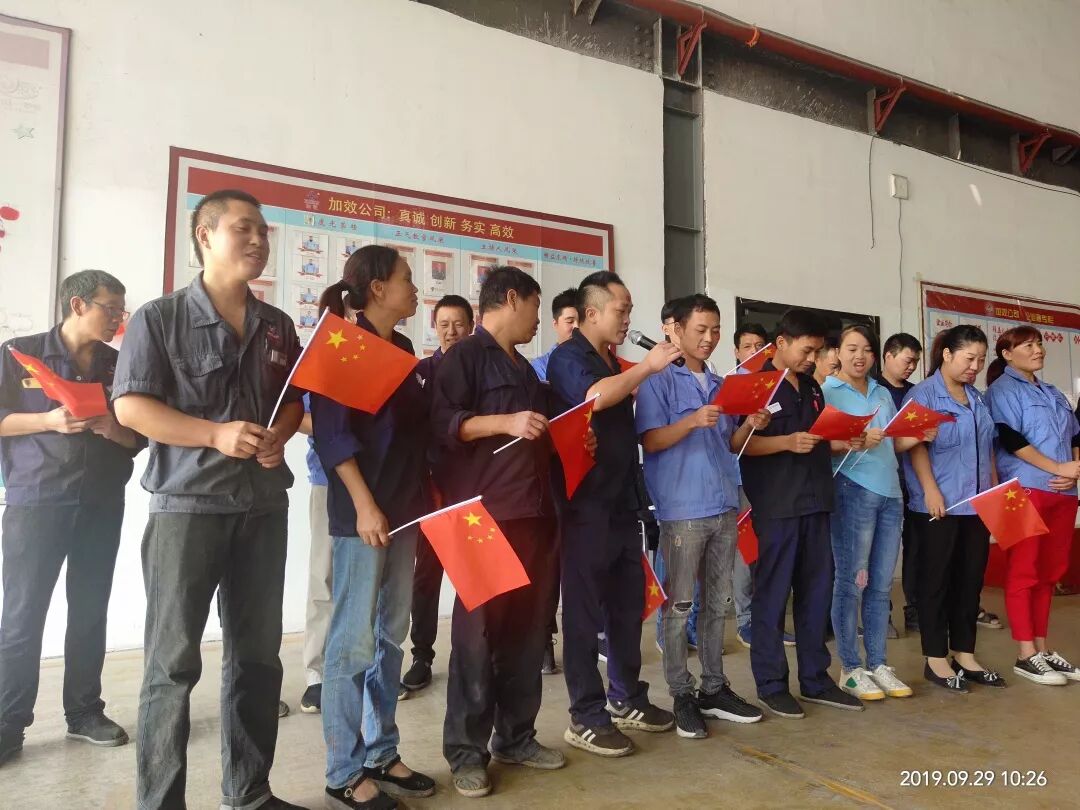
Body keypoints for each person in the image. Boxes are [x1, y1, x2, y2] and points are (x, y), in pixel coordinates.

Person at [113, 190, 306, 809]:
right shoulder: (160, 318)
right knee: (171, 666)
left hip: (262, 509)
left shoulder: (277, 325)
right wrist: (214, 434)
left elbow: (295, 399)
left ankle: (249, 793)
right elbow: (132, 408)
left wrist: (280, 434)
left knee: (258, 659)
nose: (258, 240)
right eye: (243, 228)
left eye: (264, 232)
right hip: (187, 509)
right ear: (205, 235)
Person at [431, 266, 567, 797]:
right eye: (535, 306)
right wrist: (505, 422)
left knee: (528, 634)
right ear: (511, 298)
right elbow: (443, 426)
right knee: (478, 638)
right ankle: (466, 753)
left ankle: (515, 737)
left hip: (532, 513)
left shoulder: (526, 370)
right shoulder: (464, 357)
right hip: (482, 519)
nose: (538, 319)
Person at [310, 245, 435, 809]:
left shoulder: (402, 349)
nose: (416, 288)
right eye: (407, 278)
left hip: (404, 509)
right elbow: (333, 437)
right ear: (378, 288)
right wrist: (364, 505)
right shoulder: (341, 343)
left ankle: (382, 751)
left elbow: (413, 431)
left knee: (390, 635)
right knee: (352, 641)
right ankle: (343, 768)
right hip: (363, 515)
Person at [0, 270, 141, 767]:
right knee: (22, 614)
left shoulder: (119, 365)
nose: (118, 319)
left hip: (101, 501)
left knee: (89, 609)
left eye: (122, 311)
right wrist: (48, 420)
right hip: (36, 501)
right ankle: (8, 723)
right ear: (78, 304)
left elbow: (139, 436)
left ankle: (84, 712)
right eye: (111, 309)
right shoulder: (21, 354)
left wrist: (109, 427)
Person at [548, 271, 680, 757]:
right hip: (584, 506)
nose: (627, 319)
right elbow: (595, 397)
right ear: (591, 313)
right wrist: (647, 368)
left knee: (626, 607)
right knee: (584, 615)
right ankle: (586, 714)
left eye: (628, 311)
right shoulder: (569, 357)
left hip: (623, 502)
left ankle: (627, 697)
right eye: (620, 311)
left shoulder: (610, 359)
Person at [636, 295, 768, 739]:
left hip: (723, 505)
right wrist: (691, 421)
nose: (709, 338)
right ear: (675, 329)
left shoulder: (719, 384)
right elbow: (650, 441)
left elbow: (730, 444)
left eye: (715, 330)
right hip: (682, 511)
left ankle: (715, 687)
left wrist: (749, 424)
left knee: (717, 603)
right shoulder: (657, 381)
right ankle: (681, 693)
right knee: (679, 607)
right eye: (700, 330)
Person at [740, 309, 862, 718]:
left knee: (816, 594)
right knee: (773, 597)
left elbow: (817, 438)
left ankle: (815, 679)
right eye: (807, 351)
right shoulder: (755, 385)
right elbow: (739, 445)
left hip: (816, 501)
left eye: (817, 351)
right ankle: (771, 684)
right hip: (777, 505)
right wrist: (786, 443)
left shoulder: (811, 387)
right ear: (782, 343)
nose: (813, 359)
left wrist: (842, 438)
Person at [824, 325, 937, 702]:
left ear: (875, 356)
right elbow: (822, 445)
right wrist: (852, 441)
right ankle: (850, 667)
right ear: (838, 352)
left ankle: (878, 663)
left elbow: (891, 443)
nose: (860, 356)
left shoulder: (882, 392)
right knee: (850, 582)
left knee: (881, 584)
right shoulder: (827, 391)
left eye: (866, 349)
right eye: (851, 348)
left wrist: (918, 435)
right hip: (852, 491)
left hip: (890, 494)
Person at [903, 325, 1005, 693]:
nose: (975, 366)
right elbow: (915, 446)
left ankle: (965, 654)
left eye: (980, 360)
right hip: (939, 505)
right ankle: (935, 659)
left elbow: (987, 448)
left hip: (975, 505)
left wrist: (994, 492)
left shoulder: (976, 398)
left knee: (969, 582)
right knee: (936, 583)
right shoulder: (923, 394)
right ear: (947, 354)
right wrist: (930, 490)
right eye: (969, 358)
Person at [985, 326, 1080, 685]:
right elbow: (1010, 439)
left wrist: (1074, 469)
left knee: (1049, 572)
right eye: (1028, 345)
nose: (1038, 349)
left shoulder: (1052, 391)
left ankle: (1042, 648)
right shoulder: (1001, 391)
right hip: (1019, 491)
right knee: (1023, 571)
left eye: (1039, 344)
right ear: (1007, 354)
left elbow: (1075, 434)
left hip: (1062, 492)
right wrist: (1058, 468)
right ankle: (1025, 654)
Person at [400, 294, 475, 696]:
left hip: (473, 486)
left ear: (471, 326)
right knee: (426, 574)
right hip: (432, 488)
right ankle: (422, 656)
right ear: (434, 327)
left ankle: (473, 654)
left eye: (458, 324)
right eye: (444, 324)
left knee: (474, 571)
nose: (451, 331)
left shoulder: (480, 370)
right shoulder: (421, 373)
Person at [729, 322, 795, 650]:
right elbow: (730, 439)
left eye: (760, 346)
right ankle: (745, 622)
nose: (755, 352)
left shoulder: (777, 383)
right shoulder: (731, 386)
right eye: (748, 346)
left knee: (769, 554)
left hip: (773, 484)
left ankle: (769, 621)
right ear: (736, 352)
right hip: (739, 481)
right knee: (746, 554)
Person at [876, 332, 923, 633]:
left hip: (913, 480)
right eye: (907, 360)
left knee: (916, 548)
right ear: (888, 356)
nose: (911, 367)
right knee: (882, 550)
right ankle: (881, 614)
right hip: (882, 479)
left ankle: (915, 610)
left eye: (915, 362)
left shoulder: (917, 393)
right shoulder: (872, 390)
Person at [530, 288, 579, 382]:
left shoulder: (596, 360)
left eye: (581, 321)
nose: (577, 327)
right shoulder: (540, 366)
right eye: (570, 321)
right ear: (555, 324)